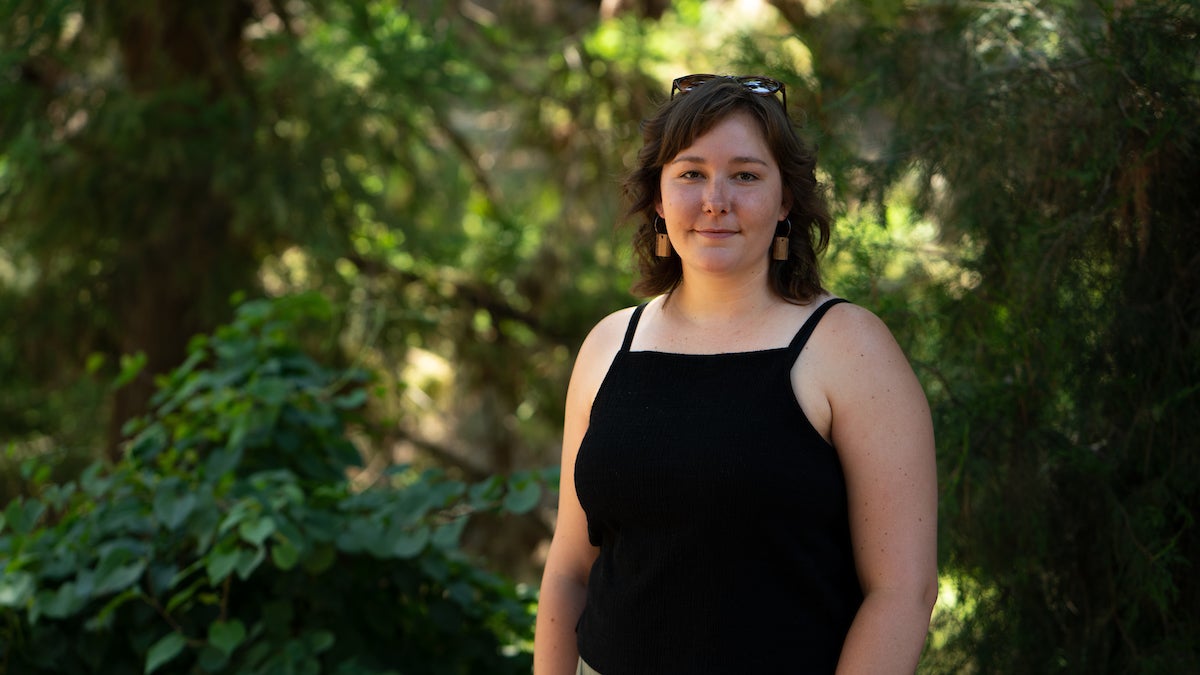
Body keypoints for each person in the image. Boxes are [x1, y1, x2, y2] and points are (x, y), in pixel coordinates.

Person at [533, 73, 938, 675]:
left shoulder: (850, 348)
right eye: (690, 174)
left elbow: (901, 593)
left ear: (785, 202)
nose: (715, 199)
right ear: (657, 199)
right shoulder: (608, 346)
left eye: (746, 175)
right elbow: (569, 571)